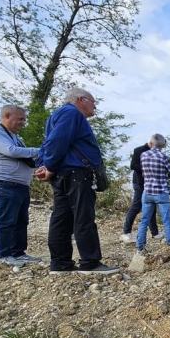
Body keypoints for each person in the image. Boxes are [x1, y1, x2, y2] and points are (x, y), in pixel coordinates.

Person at [34, 87, 119, 274]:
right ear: (81, 99)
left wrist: (45, 166)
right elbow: (57, 141)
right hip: (77, 174)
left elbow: (47, 142)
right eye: (93, 101)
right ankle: (90, 262)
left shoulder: (55, 116)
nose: (95, 106)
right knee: (83, 217)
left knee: (61, 217)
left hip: (62, 174)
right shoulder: (72, 113)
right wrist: (49, 166)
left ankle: (60, 263)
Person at [0, 105, 41, 267]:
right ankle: (3, 255)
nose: (23, 122)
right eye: (20, 119)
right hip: (4, 183)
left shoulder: (15, 136)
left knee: (21, 220)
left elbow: (26, 158)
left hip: (20, 184)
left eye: (24, 119)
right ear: (7, 116)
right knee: (7, 220)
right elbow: (12, 151)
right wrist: (42, 151)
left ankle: (18, 253)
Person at [137, 134, 170, 251]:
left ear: (151, 142)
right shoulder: (164, 156)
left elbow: (143, 172)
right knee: (166, 219)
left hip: (147, 191)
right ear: (162, 145)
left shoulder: (143, 155)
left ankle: (140, 247)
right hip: (161, 191)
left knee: (144, 220)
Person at [120, 141, 159, 244]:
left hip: (149, 183)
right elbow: (133, 165)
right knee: (136, 207)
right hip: (139, 183)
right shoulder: (139, 150)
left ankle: (155, 233)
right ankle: (126, 232)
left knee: (152, 206)